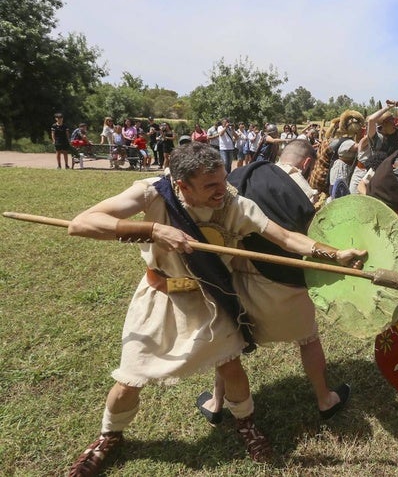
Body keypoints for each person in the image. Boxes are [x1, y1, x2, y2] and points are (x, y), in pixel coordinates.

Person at [65, 142, 366, 475]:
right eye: (210, 185)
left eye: (222, 180)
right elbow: (80, 224)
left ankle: (246, 425)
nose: (222, 190)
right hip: (161, 297)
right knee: (130, 380)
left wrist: (333, 253)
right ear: (182, 185)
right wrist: (152, 229)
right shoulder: (153, 193)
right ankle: (108, 436)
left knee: (231, 366)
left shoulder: (234, 203)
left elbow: (286, 238)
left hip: (211, 298)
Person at [196, 139, 351, 436]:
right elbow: (306, 239)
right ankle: (325, 399)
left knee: (229, 347)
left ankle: (216, 403)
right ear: (306, 164)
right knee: (308, 339)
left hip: (241, 287)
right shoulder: (306, 195)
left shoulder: (237, 181)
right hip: (288, 291)